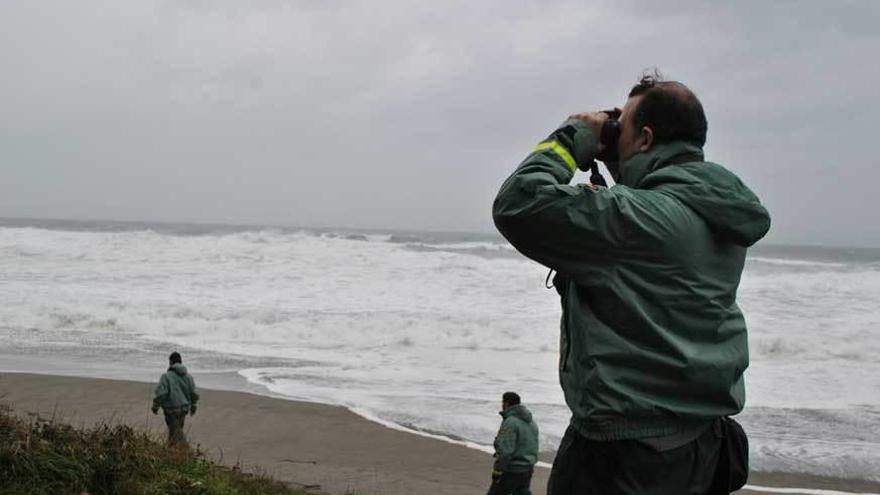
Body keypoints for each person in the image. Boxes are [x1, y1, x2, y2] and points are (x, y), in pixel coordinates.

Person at [493, 71, 770, 494]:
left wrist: (571, 138)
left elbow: (519, 203)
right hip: (696, 445)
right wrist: (625, 164)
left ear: (644, 138)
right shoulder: (714, 211)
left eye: (622, 130)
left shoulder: (636, 219)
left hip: (625, 456)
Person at [488, 392, 539, 495]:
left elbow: (505, 451)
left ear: (506, 404)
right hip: (528, 468)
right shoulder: (531, 422)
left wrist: (497, 472)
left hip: (512, 469)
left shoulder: (510, 422)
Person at [151, 351, 199, 446]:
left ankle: (186, 454)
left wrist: (155, 406)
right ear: (181, 362)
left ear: (171, 362)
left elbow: (161, 394)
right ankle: (171, 452)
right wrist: (193, 406)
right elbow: (193, 393)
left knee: (177, 433)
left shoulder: (166, 376)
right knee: (174, 432)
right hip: (183, 410)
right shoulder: (189, 377)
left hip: (171, 410)